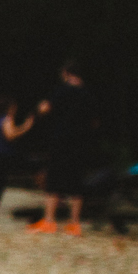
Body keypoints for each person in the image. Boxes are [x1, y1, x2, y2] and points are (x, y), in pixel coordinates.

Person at [30, 61, 92, 235]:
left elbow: (44, 109)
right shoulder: (88, 94)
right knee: (76, 180)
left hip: (61, 139)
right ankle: (74, 223)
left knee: (54, 178)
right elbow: (95, 121)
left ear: (66, 74)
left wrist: (40, 108)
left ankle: (49, 221)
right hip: (81, 141)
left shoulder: (62, 91)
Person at [0, 97, 34, 229]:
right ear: (9, 108)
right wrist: (25, 128)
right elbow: (10, 135)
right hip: (2, 158)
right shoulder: (7, 119)